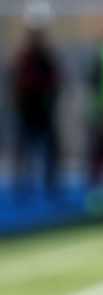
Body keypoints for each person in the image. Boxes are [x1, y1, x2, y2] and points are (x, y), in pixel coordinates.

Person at [9, 25, 61, 199]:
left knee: (48, 150)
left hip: (43, 114)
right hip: (28, 113)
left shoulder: (46, 59)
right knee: (25, 150)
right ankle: (22, 186)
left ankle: (49, 185)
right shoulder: (23, 59)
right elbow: (15, 84)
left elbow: (56, 83)